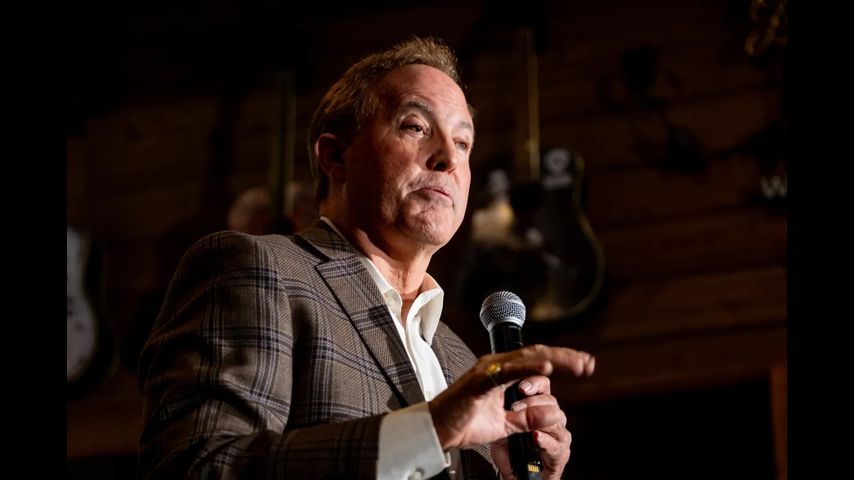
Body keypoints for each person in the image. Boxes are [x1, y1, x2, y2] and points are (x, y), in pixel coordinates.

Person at [137, 36, 595, 480]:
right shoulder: (256, 269)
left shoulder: (459, 361)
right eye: (415, 127)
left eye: (462, 143)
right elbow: (199, 465)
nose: (447, 159)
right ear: (335, 157)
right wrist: (429, 430)